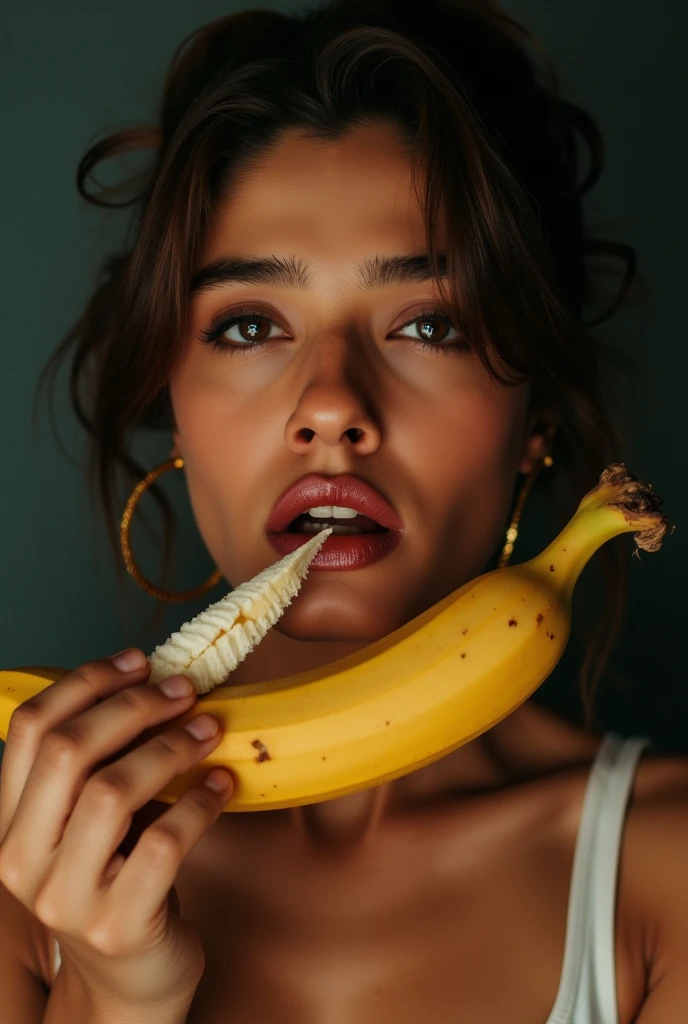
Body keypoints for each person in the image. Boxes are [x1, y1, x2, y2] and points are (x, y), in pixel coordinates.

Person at [0, 0, 686, 1020]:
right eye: (249, 325)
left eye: (427, 325)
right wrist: (115, 999)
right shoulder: (20, 870)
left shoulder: (666, 867)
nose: (330, 405)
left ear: (533, 420)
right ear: (173, 404)